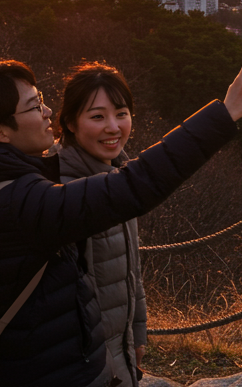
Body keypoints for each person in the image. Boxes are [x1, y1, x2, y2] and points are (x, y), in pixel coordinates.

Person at [0, 58, 242, 387]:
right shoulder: (23, 203)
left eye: (42, 101)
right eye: (35, 107)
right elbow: (136, 185)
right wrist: (225, 113)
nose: (48, 112)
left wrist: (132, 337)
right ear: (0, 131)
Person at [52, 63, 147, 387]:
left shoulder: (119, 176)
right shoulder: (61, 189)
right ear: (69, 123)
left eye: (121, 113)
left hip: (117, 353)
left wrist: (137, 333)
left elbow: (129, 269)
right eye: (97, 116)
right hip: (84, 363)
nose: (113, 127)